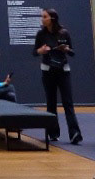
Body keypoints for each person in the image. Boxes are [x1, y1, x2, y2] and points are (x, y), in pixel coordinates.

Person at [34, 9, 83, 143]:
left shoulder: (64, 32)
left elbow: (72, 52)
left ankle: (75, 133)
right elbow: (34, 52)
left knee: (68, 103)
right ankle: (53, 132)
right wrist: (41, 50)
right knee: (51, 103)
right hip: (47, 70)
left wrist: (66, 49)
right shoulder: (41, 34)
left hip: (63, 70)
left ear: (52, 18)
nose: (42, 19)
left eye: (44, 17)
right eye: (42, 17)